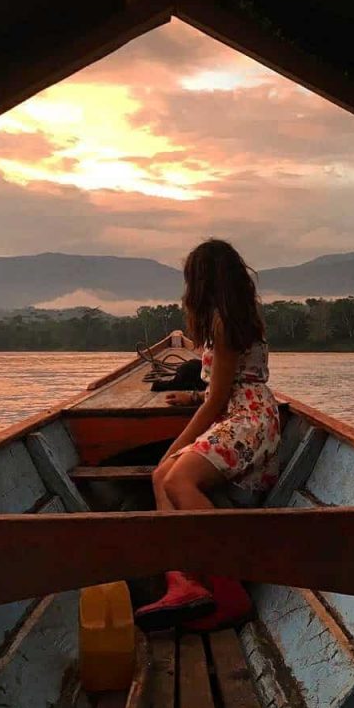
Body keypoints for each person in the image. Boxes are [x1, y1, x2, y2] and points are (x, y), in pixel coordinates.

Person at [135, 238, 281, 631]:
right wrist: (193, 394)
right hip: (241, 412)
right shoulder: (231, 316)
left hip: (248, 421)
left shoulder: (223, 322)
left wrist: (175, 446)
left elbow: (218, 402)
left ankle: (228, 589)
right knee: (158, 477)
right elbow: (223, 387)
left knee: (176, 476)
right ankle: (183, 581)